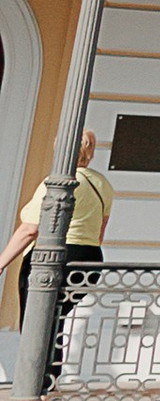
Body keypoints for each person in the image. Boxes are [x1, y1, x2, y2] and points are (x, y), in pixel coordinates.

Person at [2, 126, 110, 317]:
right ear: (90, 153)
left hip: (52, 260)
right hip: (89, 259)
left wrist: (1, 263)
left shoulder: (57, 182)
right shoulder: (102, 183)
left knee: (36, 324)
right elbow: (99, 233)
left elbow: (29, 230)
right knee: (55, 322)